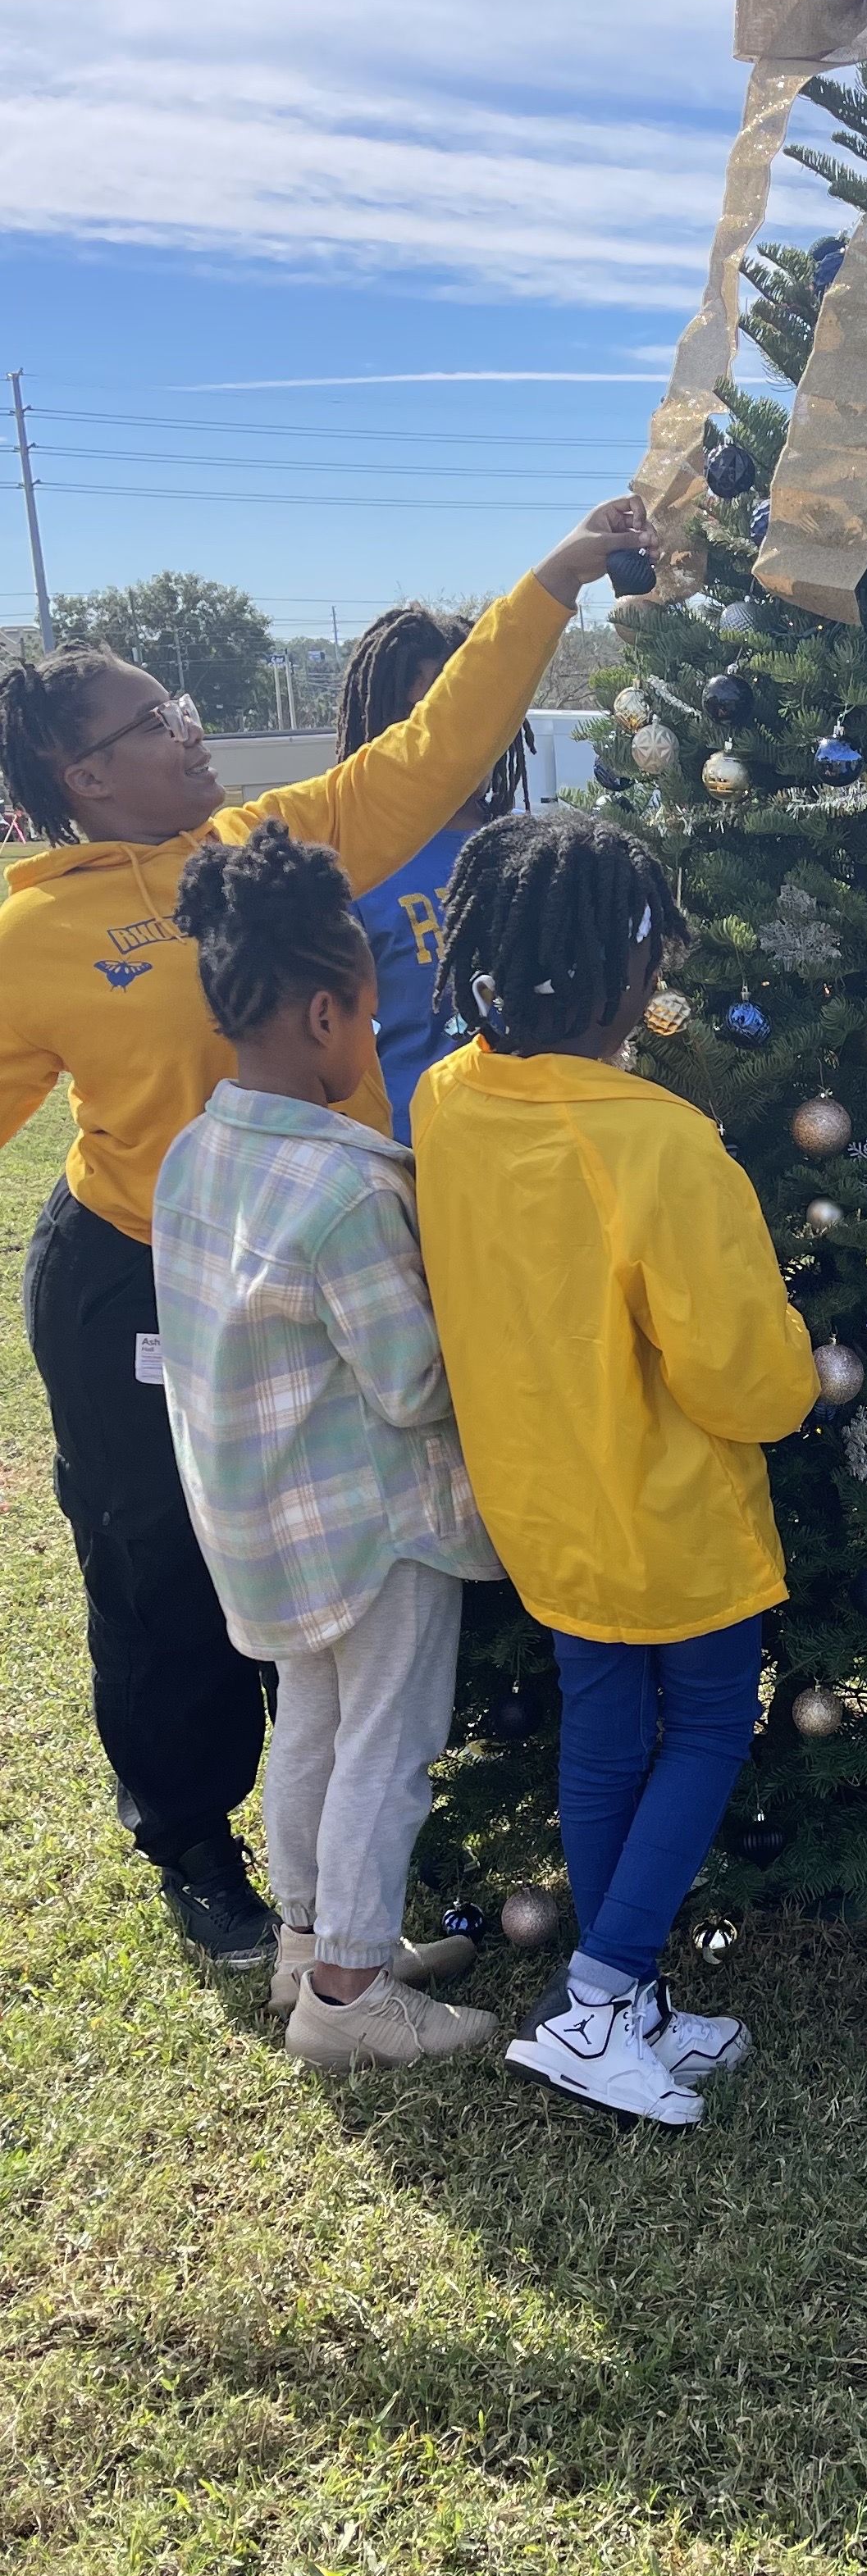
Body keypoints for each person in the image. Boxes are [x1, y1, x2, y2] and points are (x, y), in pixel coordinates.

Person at [0, 495, 643, 1970]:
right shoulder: (31, 939)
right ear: (81, 776)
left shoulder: (267, 843)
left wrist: (555, 577)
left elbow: (430, 747)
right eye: (155, 721)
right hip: (140, 1276)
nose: (190, 729)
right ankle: (191, 1842)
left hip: (320, 1246)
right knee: (162, 1566)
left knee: (331, 1560)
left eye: (180, 705)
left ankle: (330, 1883)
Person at [412, 808, 819, 2130]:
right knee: (704, 1722)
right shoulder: (658, 1141)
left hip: (543, 1495)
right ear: (630, 968)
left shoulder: (447, 1096)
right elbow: (743, 1376)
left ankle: (627, 1998)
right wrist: (795, 1369)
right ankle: (593, 2000)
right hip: (666, 1508)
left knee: (602, 1726)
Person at [152, 824, 500, 2071]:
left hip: (260, 1523)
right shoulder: (349, 1187)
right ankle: (349, 1997)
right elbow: (411, 1382)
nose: (376, 1029)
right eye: (368, 1008)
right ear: (320, 1016)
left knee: (310, 1720)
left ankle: (309, 1945)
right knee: (387, 1744)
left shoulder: (195, 1152)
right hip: (371, 1523)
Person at [335, 605, 530, 1143]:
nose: (451, 734)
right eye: (425, 716)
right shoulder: (345, 866)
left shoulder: (532, 851)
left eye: (470, 708)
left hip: (538, 1139)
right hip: (413, 1154)